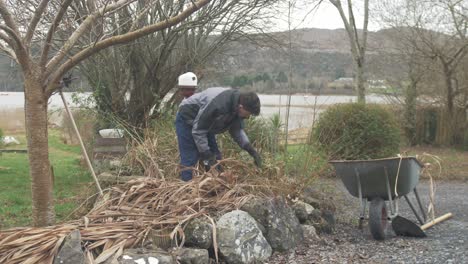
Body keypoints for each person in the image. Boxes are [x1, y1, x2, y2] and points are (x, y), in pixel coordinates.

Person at [175, 87, 262, 181]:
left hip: (206, 124)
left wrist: (251, 151)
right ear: (241, 107)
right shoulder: (218, 104)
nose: (248, 117)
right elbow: (198, 131)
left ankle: (214, 187)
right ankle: (187, 188)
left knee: (216, 158)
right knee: (190, 157)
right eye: (248, 114)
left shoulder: (237, 108)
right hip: (187, 118)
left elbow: (237, 131)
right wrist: (206, 154)